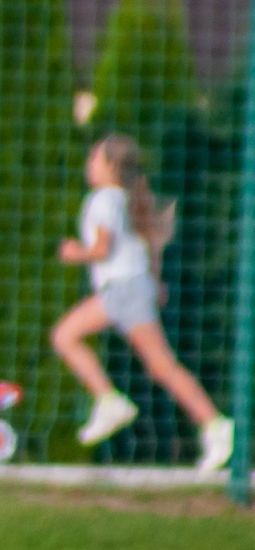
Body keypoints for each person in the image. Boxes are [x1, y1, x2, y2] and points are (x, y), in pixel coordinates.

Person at [52, 133, 233, 472]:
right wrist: (155, 282)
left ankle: (215, 425)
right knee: (70, 337)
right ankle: (110, 401)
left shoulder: (103, 198)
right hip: (128, 289)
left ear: (111, 166)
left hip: (123, 290)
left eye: (94, 158)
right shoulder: (128, 198)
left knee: (154, 363)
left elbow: (103, 250)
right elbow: (150, 245)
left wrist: (74, 252)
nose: (88, 165)